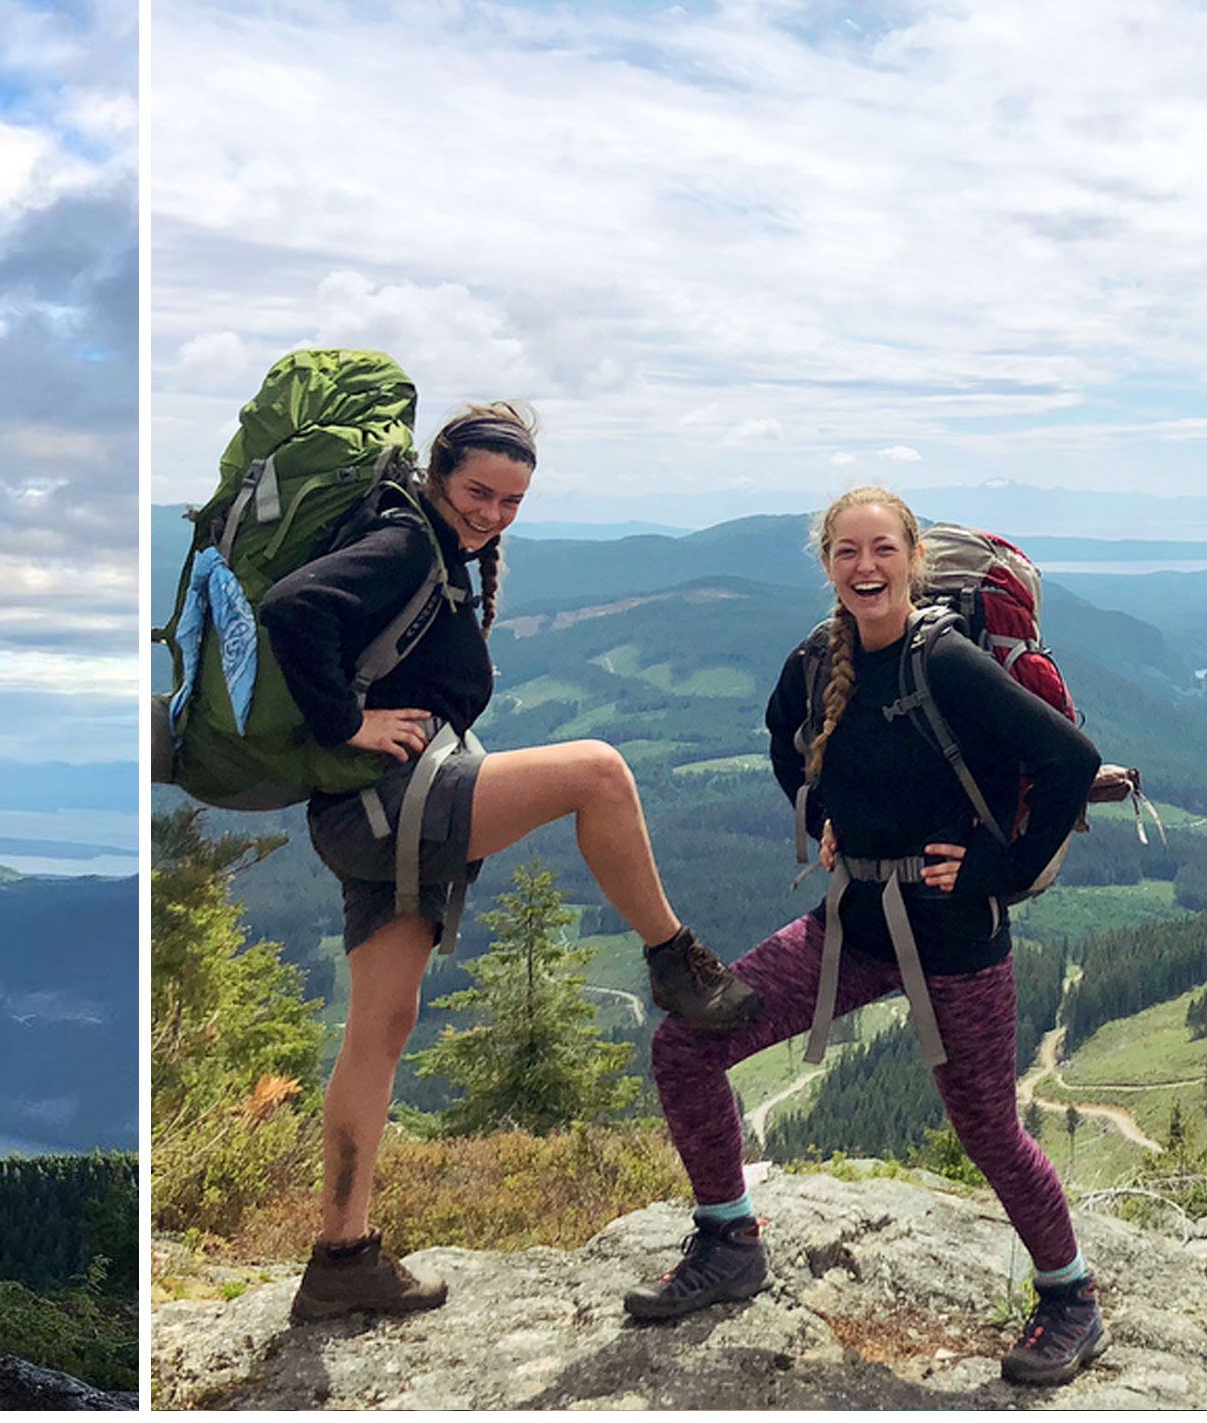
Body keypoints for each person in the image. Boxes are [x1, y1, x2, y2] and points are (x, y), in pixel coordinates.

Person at [257, 401, 762, 1324]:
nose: (491, 514)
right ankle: (673, 960)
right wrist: (347, 724)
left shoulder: (437, 547)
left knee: (379, 1028)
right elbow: (292, 610)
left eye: (512, 503)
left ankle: (341, 1257)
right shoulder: (409, 543)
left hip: (368, 812)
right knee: (599, 774)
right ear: (438, 474)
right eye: (477, 492)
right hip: (389, 806)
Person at [625, 486, 1109, 1386]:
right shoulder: (815, 661)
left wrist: (997, 871)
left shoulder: (949, 661)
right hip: (850, 925)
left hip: (958, 937)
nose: (866, 567)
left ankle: (1072, 1300)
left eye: (882, 550)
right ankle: (729, 1239)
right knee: (685, 1047)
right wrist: (821, 809)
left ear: (914, 559)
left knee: (990, 1130)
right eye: (847, 552)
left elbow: (1070, 762)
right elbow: (782, 740)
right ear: (827, 565)